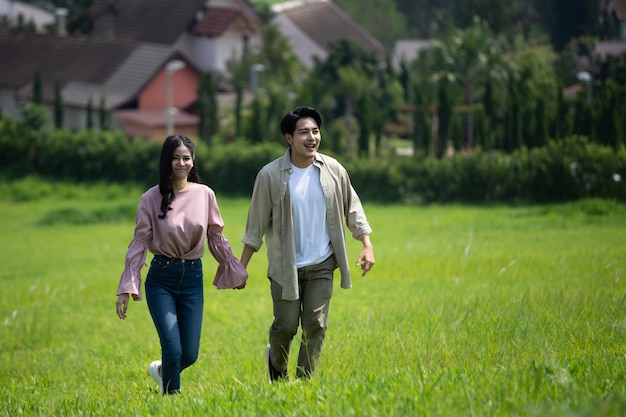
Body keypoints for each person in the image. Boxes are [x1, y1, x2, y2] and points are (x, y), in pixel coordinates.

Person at [239, 106, 375, 381]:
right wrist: (241, 267)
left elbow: (353, 208)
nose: (311, 137)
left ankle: (303, 383)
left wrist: (366, 243)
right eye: (304, 132)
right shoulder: (270, 175)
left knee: (316, 325)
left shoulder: (332, 170)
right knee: (286, 327)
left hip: (322, 263)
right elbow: (254, 226)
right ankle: (277, 367)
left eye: (315, 131)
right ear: (289, 138)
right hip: (284, 267)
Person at [115, 135, 247, 395]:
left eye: (186, 158)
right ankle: (172, 398)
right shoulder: (151, 198)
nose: (181, 163)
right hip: (161, 278)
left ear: (193, 161)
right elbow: (140, 242)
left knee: (189, 353)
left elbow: (215, 236)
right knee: (172, 348)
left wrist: (233, 270)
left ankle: (163, 371)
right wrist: (127, 285)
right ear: (166, 161)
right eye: (175, 158)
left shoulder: (205, 194)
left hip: (192, 279)